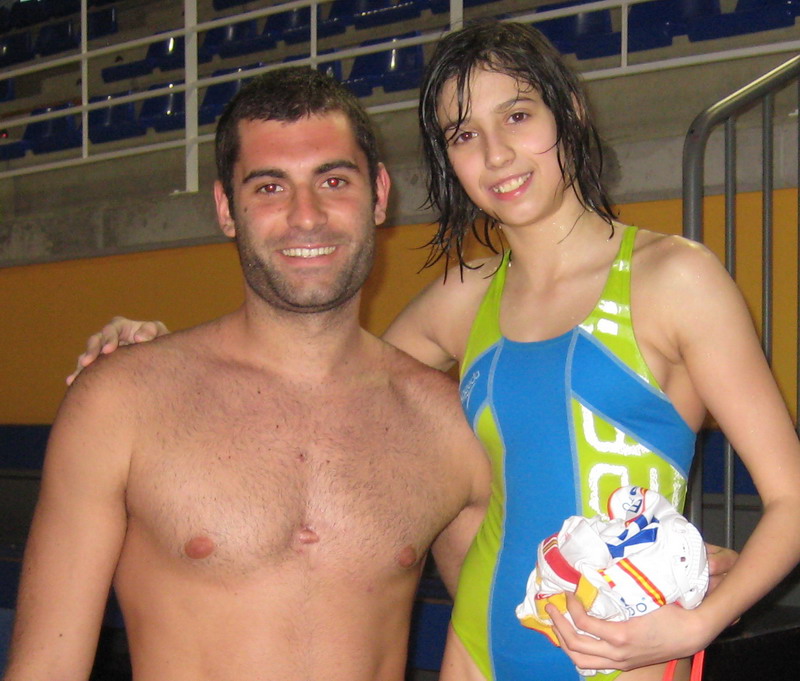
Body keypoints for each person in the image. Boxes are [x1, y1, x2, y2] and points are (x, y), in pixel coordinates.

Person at [64, 22, 756, 681]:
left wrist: (695, 606)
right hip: (481, 649)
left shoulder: (674, 279)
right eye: (465, 134)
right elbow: (323, 379)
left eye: (518, 116)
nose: (497, 154)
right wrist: (160, 361)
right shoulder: (462, 299)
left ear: (570, 111)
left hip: (623, 647)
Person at [3, 66, 493, 681]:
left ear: (379, 194)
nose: (306, 216)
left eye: (333, 180)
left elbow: (499, 648)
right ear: (225, 208)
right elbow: (46, 666)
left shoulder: (448, 424)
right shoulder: (122, 402)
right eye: (269, 187)